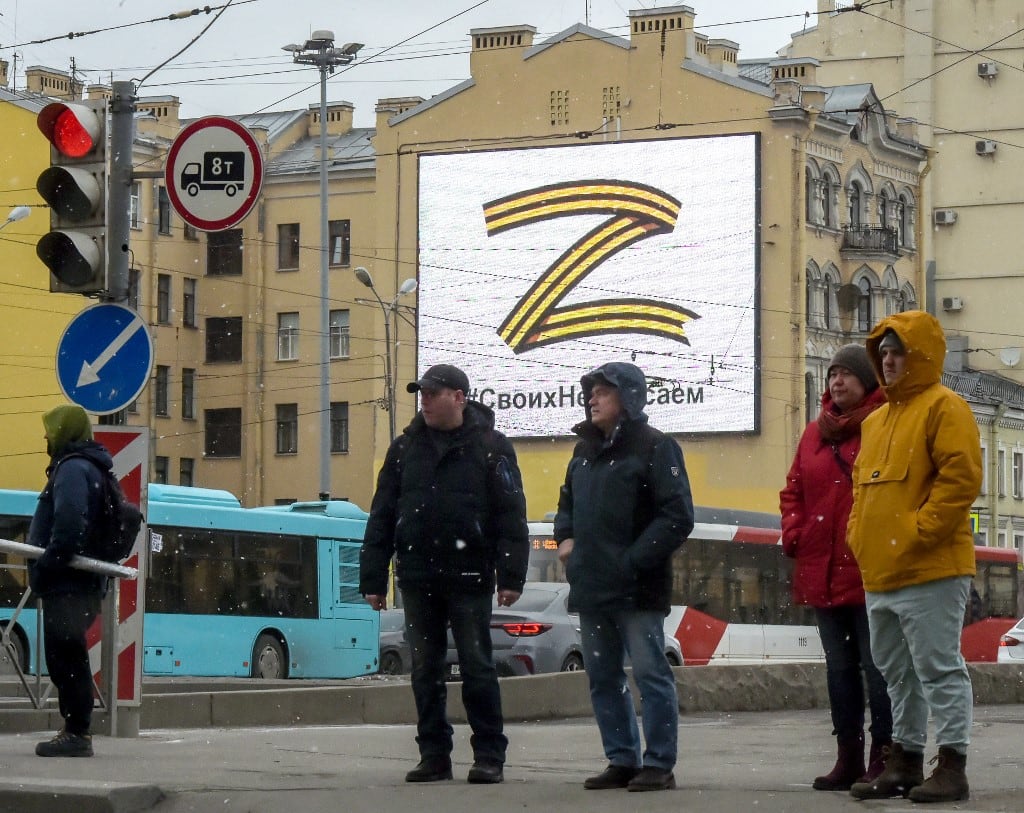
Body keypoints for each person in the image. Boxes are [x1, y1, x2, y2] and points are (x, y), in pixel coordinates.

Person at [359, 363, 529, 785]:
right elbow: (381, 515)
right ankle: (434, 754)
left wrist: (511, 577)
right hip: (417, 576)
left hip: (469, 575)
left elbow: (511, 515)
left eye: (433, 393)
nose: (425, 400)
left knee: (477, 666)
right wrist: (373, 580)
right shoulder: (403, 450)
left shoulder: (492, 447)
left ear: (459, 397)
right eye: (422, 393)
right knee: (425, 670)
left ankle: (489, 754)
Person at [846, 312, 982, 803]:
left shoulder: (947, 407)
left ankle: (951, 765)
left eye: (897, 351)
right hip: (881, 570)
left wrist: (918, 532)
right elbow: (863, 491)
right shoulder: (877, 419)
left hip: (931, 567)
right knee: (895, 670)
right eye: (882, 352)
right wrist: (859, 537)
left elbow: (960, 479)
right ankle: (904, 760)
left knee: (938, 666)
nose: (887, 360)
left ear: (920, 354)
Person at [553, 362, 694, 792]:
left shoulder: (656, 447)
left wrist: (632, 561)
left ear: (628, 398)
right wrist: (565, 539)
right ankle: (622, 759)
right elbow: (566, 504)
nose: (592, 399)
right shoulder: (583, 451)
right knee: (603, 677)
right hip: (592, 587)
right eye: (590, 391)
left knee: (651, 674)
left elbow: (677, 516)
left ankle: (659, 764)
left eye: (603, 392)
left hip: (637, 590)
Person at [779, 344, 892, 790]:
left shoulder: (883, 426)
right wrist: (795, 534)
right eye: (832, 375)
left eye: (846, 374)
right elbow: (794, 490)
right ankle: (848, 757)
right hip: (821, 569)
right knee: (839, 670)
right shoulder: (814, 433)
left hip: (868, 570)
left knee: (877, 666)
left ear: (867, 381)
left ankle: (883, 756)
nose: (836, 382)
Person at [28, 404, 111, 758]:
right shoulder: (82, 466)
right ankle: (74, 729)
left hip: (69, 584)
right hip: (74, 583)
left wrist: (46, 565)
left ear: (65, 431)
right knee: (65, 655)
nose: (46, 436)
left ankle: (77, 732)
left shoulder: (73, 469)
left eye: (50, 428)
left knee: (67, 656)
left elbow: (68, 528)